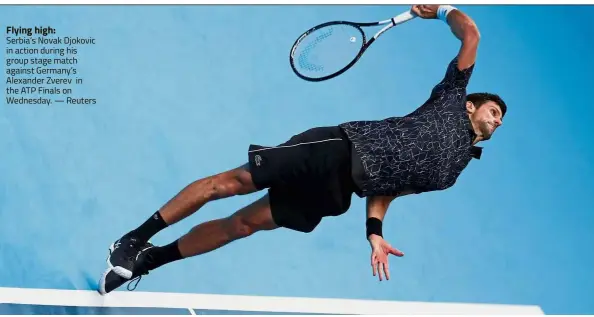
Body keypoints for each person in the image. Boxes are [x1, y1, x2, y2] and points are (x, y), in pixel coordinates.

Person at [98, 4, 507, 295]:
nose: (498, 119)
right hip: (336, 148)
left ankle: (150, 261)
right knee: (234, 182)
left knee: (243, 226)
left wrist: (375, 232)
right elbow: (472, 32)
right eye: (493, 109)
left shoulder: (451, 172)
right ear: (472, 104)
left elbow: (390, 188)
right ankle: (134, 239)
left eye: (502, 119)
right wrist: (440, 10)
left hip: (338, 193)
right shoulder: (452, 98)